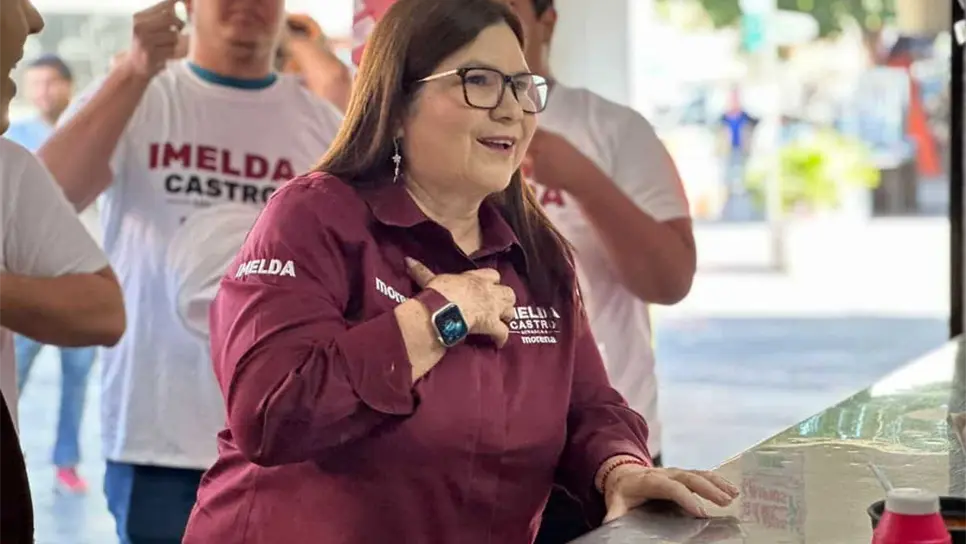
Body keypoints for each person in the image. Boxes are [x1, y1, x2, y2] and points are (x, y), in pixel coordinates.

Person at [182, 1, 737, 542]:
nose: (512, 110)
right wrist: (438, 320)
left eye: (523, 87)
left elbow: (589, 408)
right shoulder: (316, 215)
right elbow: (269, 411)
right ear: (398, 104)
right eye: (479, 81)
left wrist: (618, 469)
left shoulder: (538, 254)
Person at [37, 0, 343, 541]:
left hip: (277, 434)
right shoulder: (141, 94)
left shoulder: (320, 125)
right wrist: (133, 71)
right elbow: (44, 204)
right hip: (155, 431)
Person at [497, 0, 697, 541]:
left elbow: (670, 279)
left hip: (613, 446)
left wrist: (584, 180)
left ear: (547, 20)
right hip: (489, 456)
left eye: (510, 8)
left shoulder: (613, 129)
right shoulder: (444, 132)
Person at [0, 0, 126, 541]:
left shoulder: (8, 166)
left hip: (54, 273)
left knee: (74, 387)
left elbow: (103, 312)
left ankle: (67, 458)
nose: (34, 17)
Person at [4, 53, 96, 494]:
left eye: (51, 83)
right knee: (12, 374)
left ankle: (67, 460)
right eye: (34, 83)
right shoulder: (14, 138)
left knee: (76, 381)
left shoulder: (90, 135)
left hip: (81, 281)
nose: (42, 92)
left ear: (69, 85)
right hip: (30, 284)